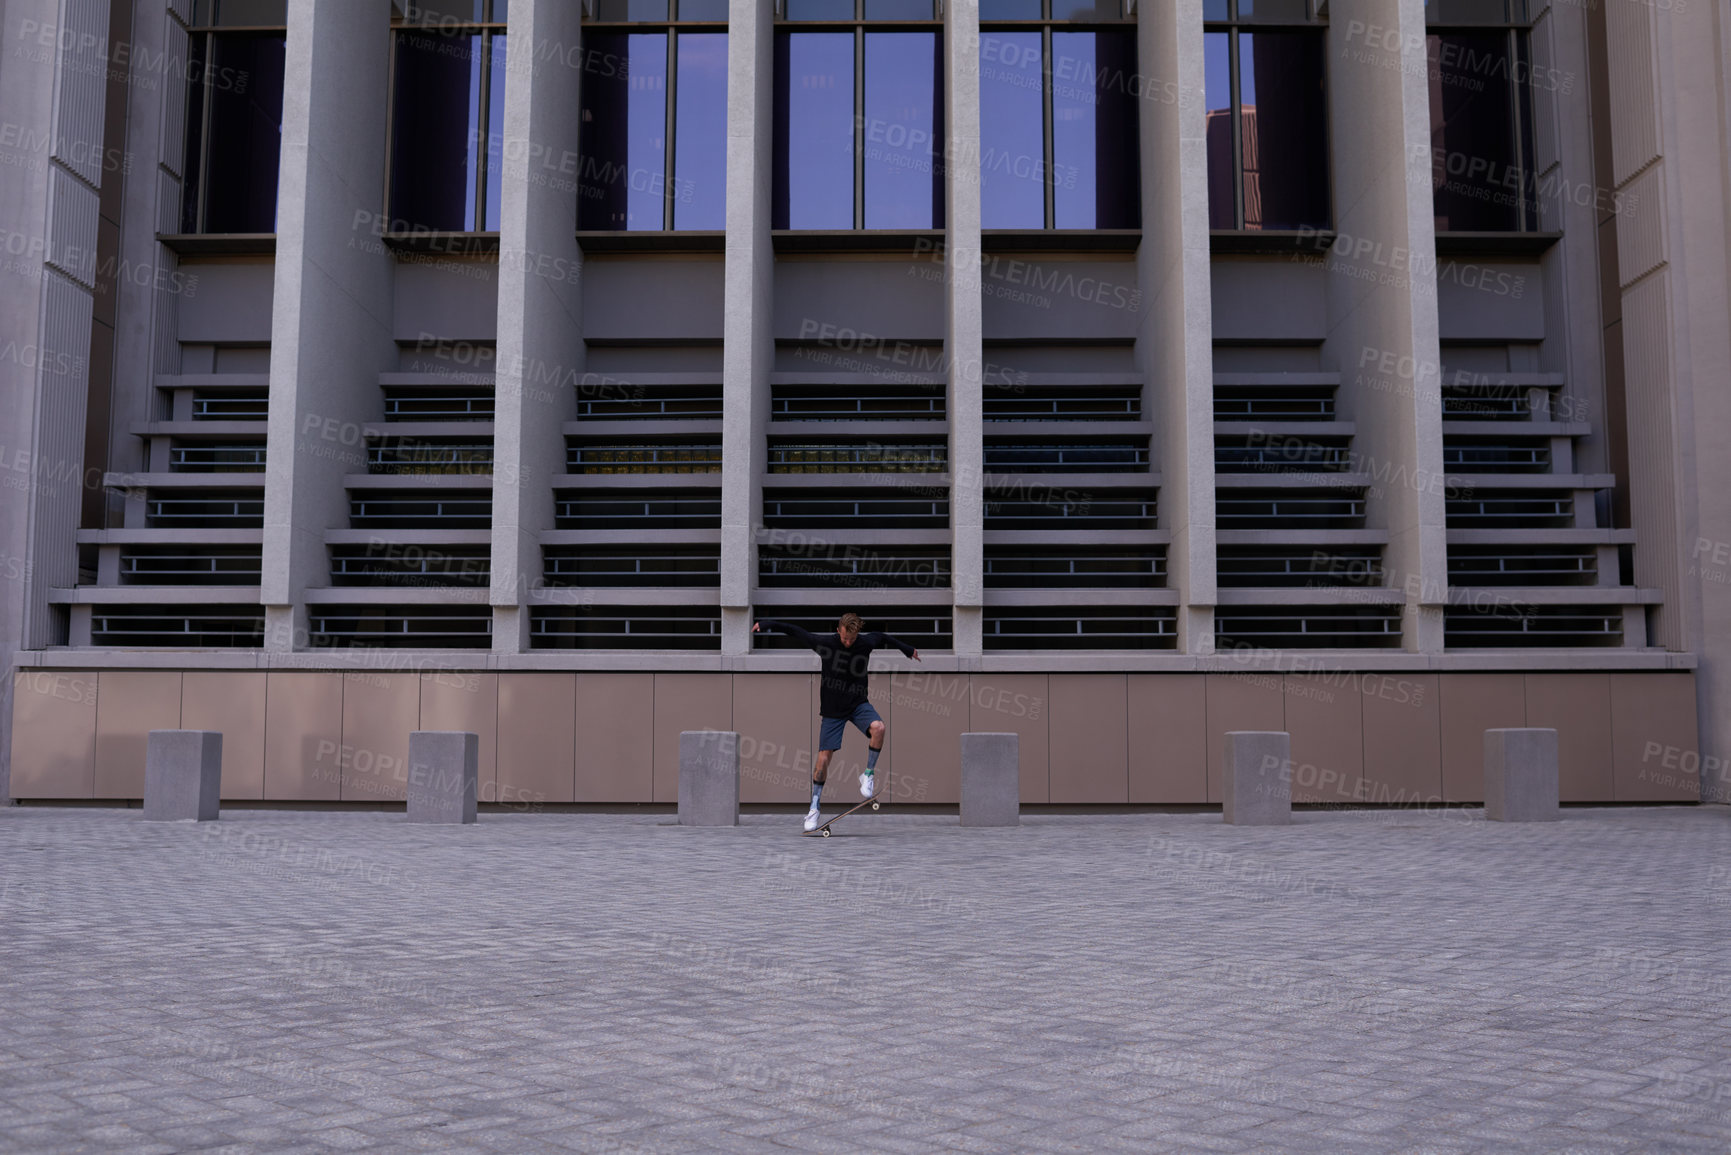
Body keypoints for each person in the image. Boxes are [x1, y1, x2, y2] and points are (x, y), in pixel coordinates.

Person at [752, 613, 920, 831]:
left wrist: (908, 650)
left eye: (852, 639)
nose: (848, 643)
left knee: (879, 728)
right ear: (839, 630)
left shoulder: (866, 642)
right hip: (832, 711)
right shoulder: (824, 643)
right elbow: (795, 631)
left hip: (858, 704)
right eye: (844, 638)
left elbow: (885, 637)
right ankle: (814, 806)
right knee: (823, 760)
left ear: (857, 633)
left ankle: (867, 775)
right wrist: (767, 624)